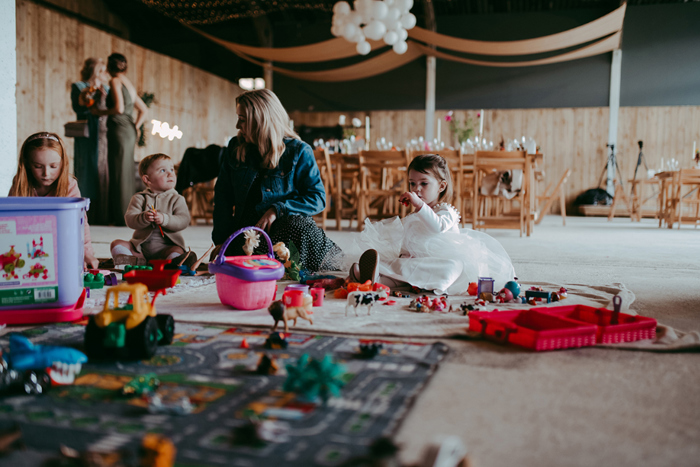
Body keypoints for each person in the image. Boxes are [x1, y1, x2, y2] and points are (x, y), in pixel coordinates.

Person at [212, 89, 343, 271]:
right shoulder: (235, 147)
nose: (237, 125)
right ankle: (294, 267)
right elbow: (222, 197)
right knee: (247, 256)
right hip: (249, 235)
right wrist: (220, 241)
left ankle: (343, 268)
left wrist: (277, 209)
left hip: (285, 228)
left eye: (242, 119)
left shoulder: (298, 151)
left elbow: (318, 198)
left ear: (260, 121)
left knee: (299, 226)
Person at [354, 154, 515, 295]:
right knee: (401, 267)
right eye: (412, 183)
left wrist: (419, 206)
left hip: (440, 262)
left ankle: (381, 276)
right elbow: (411, 239)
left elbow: (437, 226)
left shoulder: (447, 211)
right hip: (417, 261)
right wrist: (405, 254)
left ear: (441, 186)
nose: (416, 189)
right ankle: (373, 277)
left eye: (424, 184)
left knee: (452, 267)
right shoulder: (417, 214)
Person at [8, 132, 99, 270]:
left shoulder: (69, 185)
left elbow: (80, 223)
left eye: (53, 166)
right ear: (26, 163)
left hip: (61, 244)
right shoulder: (20, 183)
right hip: (27, 244)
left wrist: (86, 252)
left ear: (62, 163)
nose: (46, 174)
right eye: (38, 166)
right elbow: (8, 221)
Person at [91, 53, 148, 226]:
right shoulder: (128, 83)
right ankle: (126, 214)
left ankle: (120, 216)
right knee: (124, 171)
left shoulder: (115, 81)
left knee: (118, 172)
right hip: (128, 129)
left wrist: (98, 112)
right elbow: (144, 110)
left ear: (109, 66)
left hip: (118, 128)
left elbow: (119, 107)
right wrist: (135, 127)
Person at [110, 153, 193, 266]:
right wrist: (143, 217)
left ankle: (172, 262)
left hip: (167, 248)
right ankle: (132, 261)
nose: (170, 174)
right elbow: (130, 219)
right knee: (116, 244)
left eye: (172, 169)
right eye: (163, 170)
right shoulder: (139, 198)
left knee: (177, 251)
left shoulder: (177, 199)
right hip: (140, 249)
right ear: (147, 179)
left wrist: (165, 219)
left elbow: (183, 220)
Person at [70, 57, 110, 224]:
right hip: (86, 133)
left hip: (103, 132)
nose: (103, 74)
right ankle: (86, 213)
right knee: (85, 169)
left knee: (101, 169)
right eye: (100, 70)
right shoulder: (79, 87)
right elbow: (78, 106)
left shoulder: (107, 88)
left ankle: (103, 213)